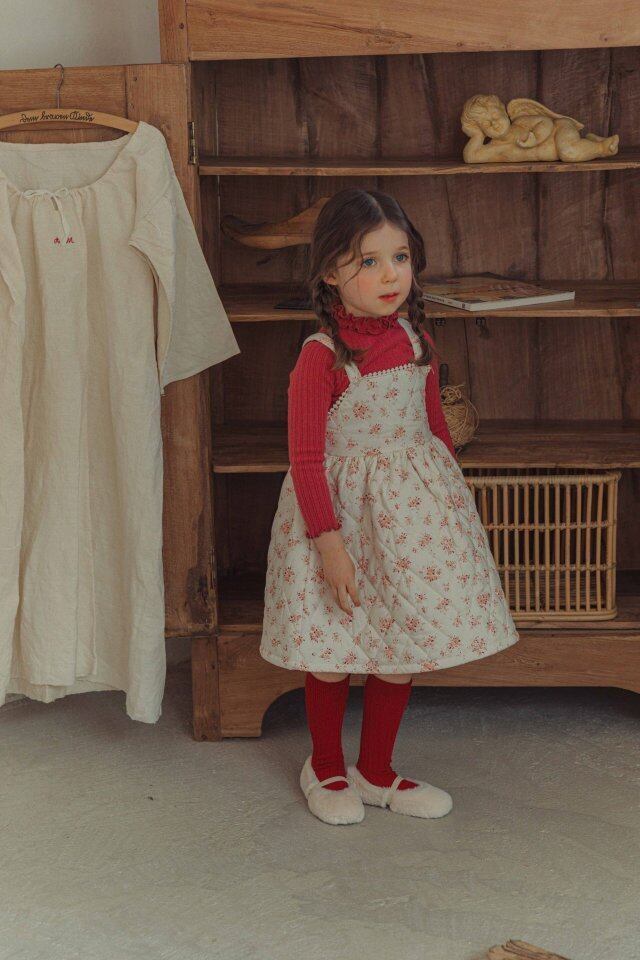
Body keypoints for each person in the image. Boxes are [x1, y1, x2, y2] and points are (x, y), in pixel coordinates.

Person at [260, 188, 519, 825]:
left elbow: (434, 429)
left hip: (409, 524)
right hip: (339, 524)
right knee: (334, 649)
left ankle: (375, 771)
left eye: (399, 257)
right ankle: (325, 766)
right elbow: (306, 459)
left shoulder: (414, 337)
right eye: (368, 261)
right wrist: (329, 545)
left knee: (399, 645)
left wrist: (451, 511)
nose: (389, 276)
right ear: (330, 271)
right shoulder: (320, 358)